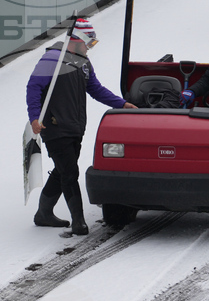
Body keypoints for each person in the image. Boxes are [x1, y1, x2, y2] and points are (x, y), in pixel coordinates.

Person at [26, 18, 137, 235]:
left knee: (62, 169)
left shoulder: (83, 63)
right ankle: (79, 222)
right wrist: (34, 118)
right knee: (70, 172)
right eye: (89, 43)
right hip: (54, 127)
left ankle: (43, 213)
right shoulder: (52, 59)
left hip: (76, 127)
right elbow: (34, 87)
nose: (89, 48)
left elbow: (96, 89)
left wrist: (122, 104)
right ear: (76, 40)